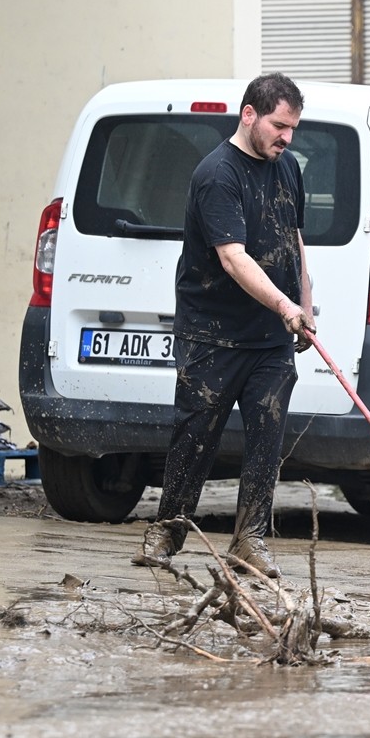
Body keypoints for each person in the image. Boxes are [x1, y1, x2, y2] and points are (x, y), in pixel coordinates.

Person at [132, 72, 314, 578]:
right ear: (249, 115)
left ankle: (250, 540)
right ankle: (168, 530)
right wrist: (285, 306)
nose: (287, 138)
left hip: (270, 340)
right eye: (280, 126)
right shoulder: (217, 174)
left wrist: (306, 305)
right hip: (211, 334)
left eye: (294, 129)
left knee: (267, 434)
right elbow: (234, 259)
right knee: (196, 434)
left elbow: (293, 240)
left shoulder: (289, 170)